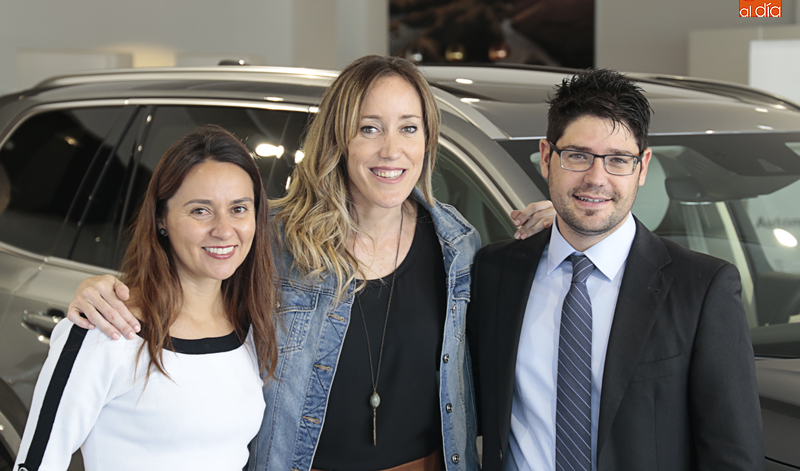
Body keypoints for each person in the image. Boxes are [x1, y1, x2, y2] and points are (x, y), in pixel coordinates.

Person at [65, 55, 554, 471]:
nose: (392, 150)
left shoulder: (457, 245)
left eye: (409, 128)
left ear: (428, 140)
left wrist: (568, 222)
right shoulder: (271, 240)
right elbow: (181, 281)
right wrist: (101, 289)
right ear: (338, 139)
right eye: (369, 129)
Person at [468, 68, 764, 471]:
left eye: (618, 160)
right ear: (546, 157)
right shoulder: (496, 271)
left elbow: (733, 457)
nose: (596, 178)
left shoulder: (702, 289)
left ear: (642, 167)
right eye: (577, 156)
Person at [15, 126, 279, 471]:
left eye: (239, 209)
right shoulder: (107, 329)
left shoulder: (252, 328)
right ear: (161, 219)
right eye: (200, 210)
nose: (224, 230)